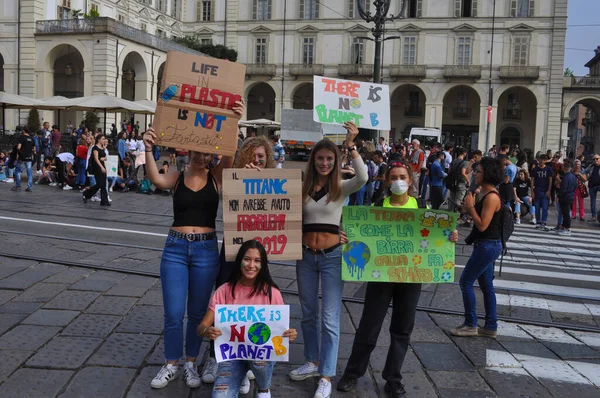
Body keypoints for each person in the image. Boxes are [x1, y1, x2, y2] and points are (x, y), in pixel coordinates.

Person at [142, 99, 244, 390]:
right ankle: (171, 362)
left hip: (205, 250)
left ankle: (190, 362)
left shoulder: (217, 177)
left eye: (206, 152)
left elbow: (230, 152)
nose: (201, 156)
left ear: (212, 154)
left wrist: (235, 120)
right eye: (197, 151)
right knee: (174, 313)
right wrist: (148, 148)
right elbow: (155, 179)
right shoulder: (177, 177)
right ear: (189, 151)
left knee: (198, 314)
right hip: (174, 248)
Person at [337, 158, 458, 398]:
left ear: (410, 181)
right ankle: (352, 373)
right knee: (368, 327)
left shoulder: (421, 206)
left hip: (411, 277)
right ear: (385, 181)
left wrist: (450, 236)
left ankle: (393, 379)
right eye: (393, 178)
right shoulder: (379, 205)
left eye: (402, 177)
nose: (398, 181)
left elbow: (437, 234)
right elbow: (362, 232)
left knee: (402, 330)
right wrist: (347, 237)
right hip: (381, 276)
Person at [289, 122, 367, 398]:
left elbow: (363, 177)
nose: (324, 163)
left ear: (335, 162)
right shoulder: (300, 188)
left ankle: (326, 375)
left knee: (330, 319)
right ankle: (312, 361)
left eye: (329, 159)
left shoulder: (341, 188)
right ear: (313, 161)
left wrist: (351, 143)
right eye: (320, 158)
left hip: (332, 257)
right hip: (306, 258)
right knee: (308, 314)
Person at [202, 135, 275, 389]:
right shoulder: (236, 176)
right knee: (224, 300)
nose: (257, 160)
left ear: (267, 161)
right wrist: (241, 181)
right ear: (245, 158)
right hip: (233, 252)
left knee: (255, 304)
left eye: (261, 157)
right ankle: (214, 356)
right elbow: (225, 203)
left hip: (258, 255)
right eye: (253, 156)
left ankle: (246, 362)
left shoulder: (275, 183)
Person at [197, 240, 298, 398]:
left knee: (260, 361)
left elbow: (280, 333)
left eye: (257, 260)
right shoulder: (223, 291)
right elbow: (202, 326)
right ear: (239, 261)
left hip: (260, 357)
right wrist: (206, 331)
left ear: (263, 264)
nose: (251, 265)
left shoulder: (272, 293)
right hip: (232, 357)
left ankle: (263, 388)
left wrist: (289, 335)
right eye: (247, 259)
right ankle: (241, 375)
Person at [450, 157, 504, 338]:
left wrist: (471, 208)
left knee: (465, 281)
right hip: (486, 244)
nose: (475, 174)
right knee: (486, 286)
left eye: (478, 171)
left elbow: (482, 225)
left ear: (487, 174)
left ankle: (471, 324)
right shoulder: (484, 194)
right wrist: (468, 208)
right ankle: (490, 326)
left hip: (488, 245)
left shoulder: (492, 197)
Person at [82, 134, 110, 206]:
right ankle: (87, 193)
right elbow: (96, 159)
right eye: (103, 139)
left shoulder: (102, 147)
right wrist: (101, 167)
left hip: (102, 165)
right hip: (97, 167)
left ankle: (104, 200)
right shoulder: (95, 148)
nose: (104, 140)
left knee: (103, 184)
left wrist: (103, 156)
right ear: (99, 140)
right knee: (99, 184)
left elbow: (105, 157)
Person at [531, 154, 553, 230]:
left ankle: (544, 222)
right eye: (541, 159)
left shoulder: (549, 169)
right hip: (537, 189)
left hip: (545, 190)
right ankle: (538, 222)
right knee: (537, 207)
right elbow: (532, 180)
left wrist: (549, 190)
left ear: (546, 161)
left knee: (545, 207)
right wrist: (532, 192)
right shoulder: (535, 169)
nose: (542, 161)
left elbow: (550, 180)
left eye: (544, 160)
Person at [555, 159, 577, 236]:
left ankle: (567, 228)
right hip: (571, 196)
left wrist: (559, 196)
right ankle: (564, 227)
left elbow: (563, 188)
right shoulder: (573, 176)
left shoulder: (566, 177)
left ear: (564, 168)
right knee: (567, 213)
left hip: (565, 197)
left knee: (566, 214)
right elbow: (575, 186)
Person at [12, 126, 36, 192]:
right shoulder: (32, 138)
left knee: (17, 171)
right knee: (29, 172)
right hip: (29, 157)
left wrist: (18, 154)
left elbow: (18, 147)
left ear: (24, 131)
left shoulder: (22, 137)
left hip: (22, 157)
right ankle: (29, 187)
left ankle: (18, 186)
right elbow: (34, 149)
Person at [447, 147, 469, 213]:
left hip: (452, 182)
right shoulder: (464, 162)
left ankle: (449, 214)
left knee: (451, 199)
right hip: (461, 183)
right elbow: (463, 173)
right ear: (464, 153)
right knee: (458, 201)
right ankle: (455, 215)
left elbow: (449, 171)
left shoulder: (453, 160)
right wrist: (468, 180)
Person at [584, 154, 600, 222]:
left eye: (597, 159)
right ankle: (593, 216)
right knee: (592, 202)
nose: (595, 160)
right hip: (592, 186)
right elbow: (584, 171)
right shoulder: (591, 166)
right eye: (594, 159)